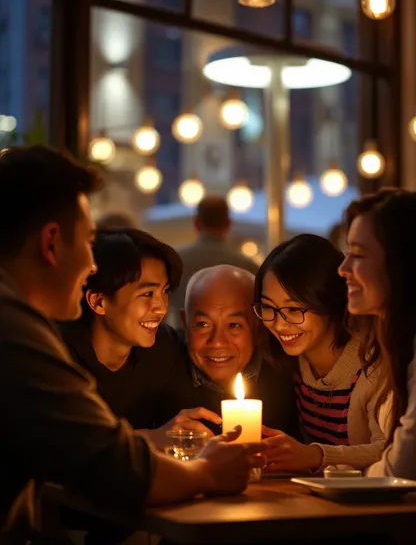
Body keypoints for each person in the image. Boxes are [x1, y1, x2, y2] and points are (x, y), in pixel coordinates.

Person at [0, 146, 265, 541]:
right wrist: (208, 471)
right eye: (89, 243)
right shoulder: (15, 331)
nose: (93, 266)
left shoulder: (160, 350)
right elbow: (111, 465)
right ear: (51, 243)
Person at [60, 227, 221, 444]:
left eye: (164, 291)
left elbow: (185, 425)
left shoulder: (163, 349)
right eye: (147, 294)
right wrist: (153, 438)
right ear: (99, 302)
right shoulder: (56, 355)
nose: (161, 308)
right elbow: (54, 447)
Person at [253, 234, 387, 473]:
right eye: (268, 307)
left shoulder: (373, 363)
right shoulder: (291, 361)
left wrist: (314, 455)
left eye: (293, 309)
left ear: (329, 301)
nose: (279, 324)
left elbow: (389, 450)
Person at [159, 265, 298, 437]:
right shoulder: (160, 365)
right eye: (203, 324)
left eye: (234, 325)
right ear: (185, 323)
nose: (217, 342)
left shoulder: (288, 370)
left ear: (259, 325)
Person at [338, 188, 416, 478]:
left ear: (401, 262)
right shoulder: (392, 343)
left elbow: (404, 469)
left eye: (357, 254)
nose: (343, 268)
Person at [169, 196, 258, 328]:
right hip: (234, 343)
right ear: (228, 224)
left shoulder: (174, 261)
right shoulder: (247, 267)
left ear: (196, 223)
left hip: (181, 339)